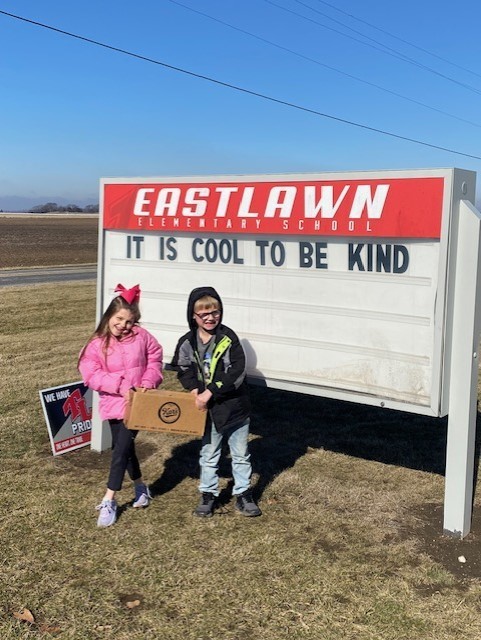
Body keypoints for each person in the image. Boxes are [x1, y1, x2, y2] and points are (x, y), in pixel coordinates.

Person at [171, 286, 261, 518]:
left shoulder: (228, 338)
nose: (210, 318)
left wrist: (209, 392)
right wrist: (193, 389)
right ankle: (208, 494)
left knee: (240, 454)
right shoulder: (188, 342)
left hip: (234, 408)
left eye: (215, 313)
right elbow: (182, 368)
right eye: (204, 314)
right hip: (207, 412)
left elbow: (236, 373)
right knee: (209, 453)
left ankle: (243, 494)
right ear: (193, 315)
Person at [78, 283, 163, 527]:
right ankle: (140, 487)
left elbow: (155, 357)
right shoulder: (96, 344)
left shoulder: (141, 336)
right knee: (124, 449)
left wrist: (147, 381)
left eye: (129, 321)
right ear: (109, 316)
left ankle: (109, 499)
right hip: (113, 403)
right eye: (119, 319)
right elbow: (91, 375)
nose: (124, 325)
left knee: (120, 451)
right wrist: (120, 385)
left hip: (138, 404)